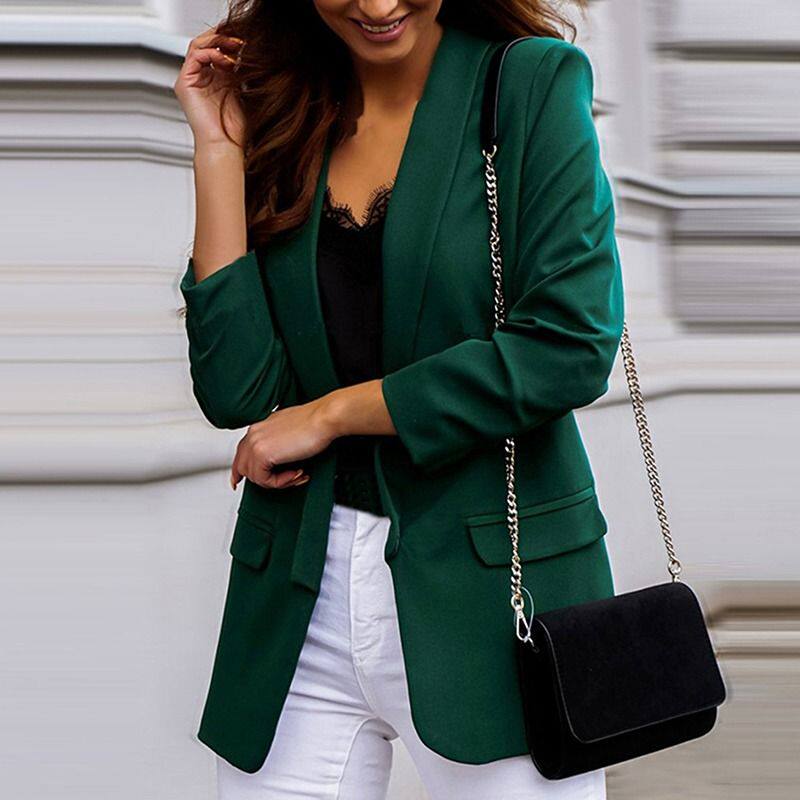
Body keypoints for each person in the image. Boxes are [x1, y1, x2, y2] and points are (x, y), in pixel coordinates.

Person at [174, 1, 623, 798]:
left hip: (496, 600)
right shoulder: (288, 106)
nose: (378, 6)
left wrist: (330, 414)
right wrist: (218, 149)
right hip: (296, 600)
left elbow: (569, 344)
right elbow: (236, 387)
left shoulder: (528, 84)